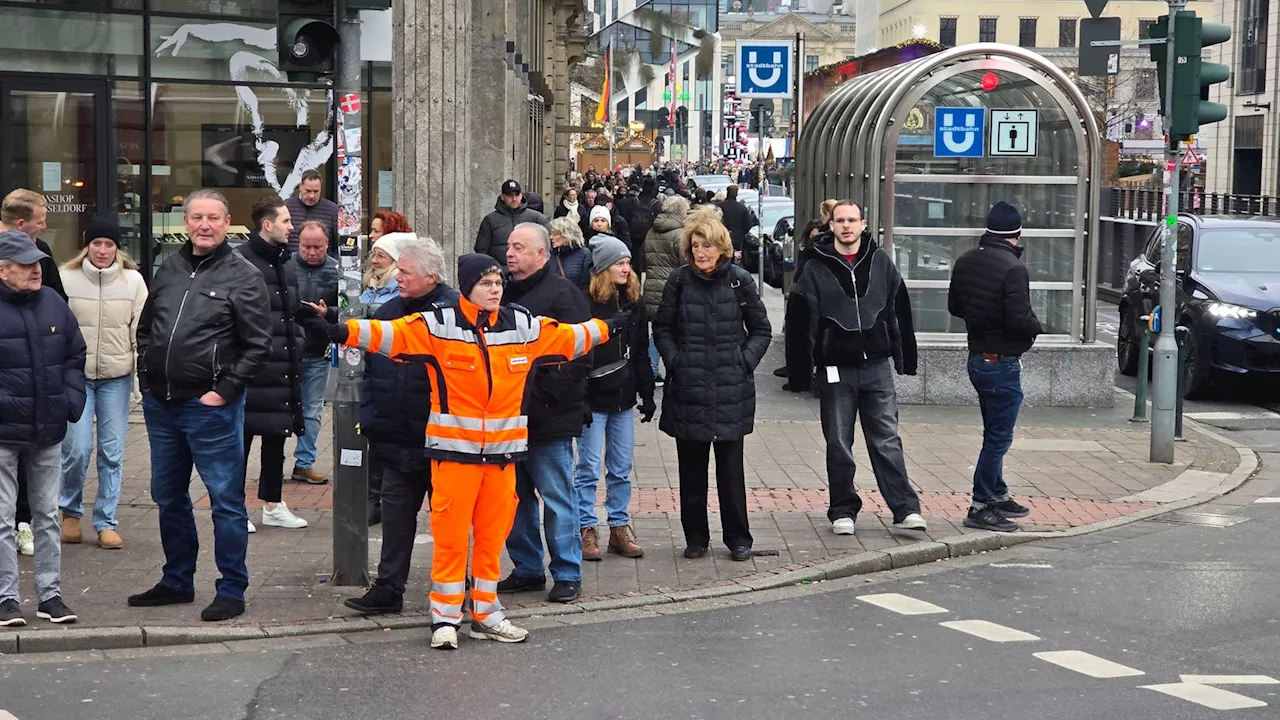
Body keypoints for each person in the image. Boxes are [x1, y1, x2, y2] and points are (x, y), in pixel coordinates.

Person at [327, 252, 625, 650]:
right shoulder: (438, 324)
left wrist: (607, 328)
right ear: (467, 288)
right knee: (450, 542)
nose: (496, 288)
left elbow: (567, 338)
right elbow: (388, 334)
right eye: (486, 283)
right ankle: (445, 618)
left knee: (489, 541)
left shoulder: (521, 325)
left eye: (499, 281)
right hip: (453, 459)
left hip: (502, 462)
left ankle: (486, 613)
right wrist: (338, 331)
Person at [128, 189, 272, 623]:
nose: (204, 225)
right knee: (167, 495)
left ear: (228, 223)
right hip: (162, 404)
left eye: (213, 217)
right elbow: (148, 329)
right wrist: (147, 380)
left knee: (225, 500)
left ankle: (231, 589)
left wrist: (223, 392)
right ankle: (176, 580)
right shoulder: (169, 268)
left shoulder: (243, 275)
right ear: (184, 222)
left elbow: (258, 344)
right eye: (196, 217)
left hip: (210, 408)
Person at [784, 201, 927, 536]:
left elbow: (899, 312)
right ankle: (843, 510)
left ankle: (905, 509)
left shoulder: (881, 263)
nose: (846, 226)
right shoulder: (815, 269)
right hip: (836, 370)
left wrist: (905, 358)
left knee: (887, 440)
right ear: (830, 225)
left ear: (864, 224)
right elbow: (800, 323)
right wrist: (800, 374)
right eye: (840, 221)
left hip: (877, 367)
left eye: (852, 220)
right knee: (838, 442)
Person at [343, 239, 459, 615]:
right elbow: (372, 369)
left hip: (444, 441)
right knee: (395, 521)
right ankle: (389, 588)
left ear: (430, 275)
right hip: (395, 439)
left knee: (450, 525)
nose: (400, 278)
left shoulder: (456, 312)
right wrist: (371, 418)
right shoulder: (390, 311)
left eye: (406, 272)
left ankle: (457, 591)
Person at [653, 214, 770, 562]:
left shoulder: (739, 281)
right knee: (691, 470)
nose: (701, 252)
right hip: (689, 387)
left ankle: (737, 538)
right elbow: (662, 328)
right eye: (695, 245)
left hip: (730, 387)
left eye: (707, 245)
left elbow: (761, 329)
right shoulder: (679, 281)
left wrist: (743, 361)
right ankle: (696, 537)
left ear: (722, 248)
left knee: (731, 472)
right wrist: (676, 360)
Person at [498, 223, 592, 603]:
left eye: (518, 247)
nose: (509, 253)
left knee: (556, 498)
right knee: (513, 499)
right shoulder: (499, 292)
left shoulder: (563, 294)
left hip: (548, 418)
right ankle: (527, 568)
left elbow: (580, 353)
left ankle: (567, 571)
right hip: (506, 419)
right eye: (508, 246)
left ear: (540, 254)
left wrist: (544, 393)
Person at [0, 230, 87, 627]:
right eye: (26, 265)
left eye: (37, 263)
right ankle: (6, 599)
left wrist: (71, 401)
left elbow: (75, 352)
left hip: (48, 427)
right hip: (4, 431)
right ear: (3, 271)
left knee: (48, 515)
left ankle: (50, 595)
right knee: (2, 518)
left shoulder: (53, 302)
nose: (36, 270)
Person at [947, 201, 1044, 533]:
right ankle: (981, 503)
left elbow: (954, 306)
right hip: (1002, 362)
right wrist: (1037, 326)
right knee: (999, 438)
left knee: (993, 432)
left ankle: (998, 494)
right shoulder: (1013, 269)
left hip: (977, 358)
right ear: (1017, 235)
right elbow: (1019, 319)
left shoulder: (965, 260)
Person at [57, 216, 147, 550]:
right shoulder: (66, 279)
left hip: (116, 377)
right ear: (87, 245)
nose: (103, 250)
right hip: (76, 378)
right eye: (97, 243)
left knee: (112, 452)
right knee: (77, 449)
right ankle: (69, 511)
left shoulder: (133, 282)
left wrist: (140, 376)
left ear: (117, 248)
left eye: (109, 244)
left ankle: (106, 520)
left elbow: (140, 331)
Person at [236, 196, 317, 532]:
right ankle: (235, 508)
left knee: (276, 436)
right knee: (240, 440)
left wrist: (309, 326)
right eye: (285, 221)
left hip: (282, 363)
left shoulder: (285, 261)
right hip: (251, 366)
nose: (292, 227)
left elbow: (290, 308)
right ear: (267, 225)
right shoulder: (240, 260)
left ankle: (272, 503)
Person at [575, 237, 653, 562]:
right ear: (603, 268)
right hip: (594, 398)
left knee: (621, 467)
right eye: (619, 263)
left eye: (627, 263)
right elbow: (577, 354)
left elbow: (642, 353)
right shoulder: (585, 303)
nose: (625, 268)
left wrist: (647, 394)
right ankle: (586, 528)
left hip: (624, 396)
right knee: (588, 468)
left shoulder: (635, 302)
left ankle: (619, 527)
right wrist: (578, 398)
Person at [1, 189, 65, 559]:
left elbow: (60, 313)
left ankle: (23, 525)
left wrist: (66, 395)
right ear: (22, 224)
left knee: (29, 474)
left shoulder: (43, 258)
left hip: (35, 384)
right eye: (41, 220)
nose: (44, 226)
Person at [290, 221, 340, 485]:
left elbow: (344, 310)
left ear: (327, 245)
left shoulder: (336, 271)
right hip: (286, 349)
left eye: (317, 247)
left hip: (317, 349)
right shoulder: (286, 266)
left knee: (312, 409)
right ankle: (271, 462)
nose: (311, 252)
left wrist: (327, 313)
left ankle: (304, 462)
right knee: (276, 408)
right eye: (306, 246)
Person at [642, 194, 690, 382]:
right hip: (672, 289)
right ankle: (667, 369)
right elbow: (685, 264)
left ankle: (651, 369)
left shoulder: (651, 231)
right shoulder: (680, 234)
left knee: (658, 330)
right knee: (675, 331)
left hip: (652, 287)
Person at [474, 179, 549, 264]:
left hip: (530, 273)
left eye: (516, 195)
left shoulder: (536, 218)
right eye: (510, 195)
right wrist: (492, 269)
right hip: (501, 273)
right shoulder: (490, 220)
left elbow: (549, 244)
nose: (514, 199)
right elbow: (481, 249)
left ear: (521, 195)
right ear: (502, 197)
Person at [285, 168, 340, 255]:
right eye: (308, 191)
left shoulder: (332, 210)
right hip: (291, 263)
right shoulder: (286, 207)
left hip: (323, 264)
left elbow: (338, 244)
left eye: (316, 191)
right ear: (300, 187)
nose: (311, 195)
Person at [361, 232, 405, 307]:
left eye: (380, 256)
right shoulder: (371, 286)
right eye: (374, 254)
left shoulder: (402, 291)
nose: (373, 260)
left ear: (395, 261)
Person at [716, 185, 757, 260]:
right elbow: (748, 224)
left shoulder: (720, 206)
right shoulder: (742, 207)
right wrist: (741, 233)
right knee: (737, 259)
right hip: (737, 238)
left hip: (722, 236)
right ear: (736, 194)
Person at [549, 216, 591, 289]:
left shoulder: (584, 254)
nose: (551, 237)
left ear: (567, 235)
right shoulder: (551, 255)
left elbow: (586, 285)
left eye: (555, 234)